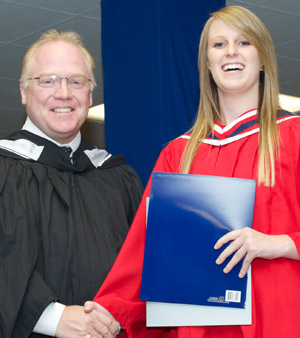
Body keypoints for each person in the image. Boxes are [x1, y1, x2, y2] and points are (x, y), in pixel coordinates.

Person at [90, 5, 300, 338]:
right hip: (200, 326)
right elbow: (145, 250)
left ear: (263, 58)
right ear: (206, 63)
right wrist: (108, 312)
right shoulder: (179, 154)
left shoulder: (293, 136)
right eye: (218, 45)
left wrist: (279, 244)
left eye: (244, 42)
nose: (230, 51)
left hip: (279, 320)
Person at [0, 29, 143, 338]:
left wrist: (119, 312)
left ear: (90, 95)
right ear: (24, 91)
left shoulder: (118, 178)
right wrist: (53, 317)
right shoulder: (4, 170)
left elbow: (143, 265)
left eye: (77, 81)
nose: (64, 93)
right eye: (48, 80)